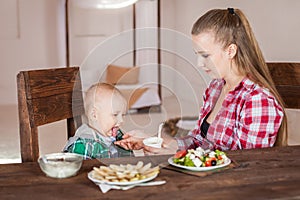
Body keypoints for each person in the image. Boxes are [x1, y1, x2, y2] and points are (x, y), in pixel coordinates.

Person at [115, 8, 287, 152]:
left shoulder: (257, 100)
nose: (199, 63)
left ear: (231, 51)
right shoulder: (216, 87)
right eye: (197, 55)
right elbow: (198, 141)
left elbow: (248, 165)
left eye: (205, 55)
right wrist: (154, 140)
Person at [63, 82, 133, 159]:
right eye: (115, 115)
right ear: (94, 115)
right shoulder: (83, 145)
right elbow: (81, 169)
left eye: (123, 115)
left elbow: (128, 161)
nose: (121, 120)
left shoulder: (119, 136)